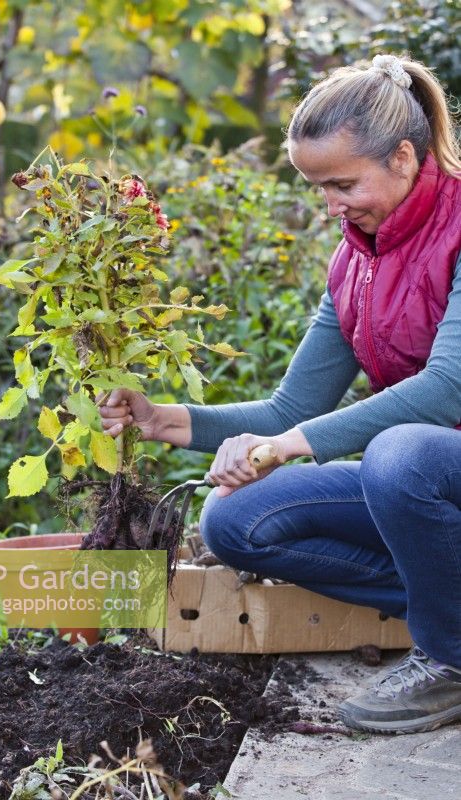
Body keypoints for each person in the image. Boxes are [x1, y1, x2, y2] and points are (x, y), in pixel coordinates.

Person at [100, 54, 461, 735]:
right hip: (440, 484)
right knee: (236, 523)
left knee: (399, 454)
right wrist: (160, 420)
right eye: (317, 188)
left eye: (342, 183)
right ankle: (449, 602)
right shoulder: (356, 260)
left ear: (405, 158)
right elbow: (288, 410)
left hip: (430, 464)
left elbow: (445, 390)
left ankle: (451, 658)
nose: (330, 205)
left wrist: (279, 449)